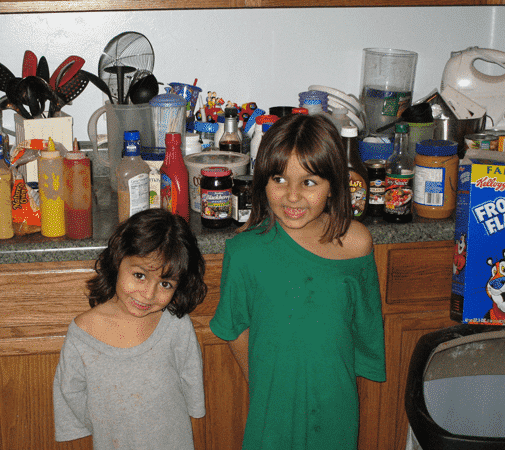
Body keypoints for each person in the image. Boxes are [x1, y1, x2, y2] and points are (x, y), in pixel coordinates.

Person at [209, 114, 386, 449]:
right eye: (279, 179)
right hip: (271, 408)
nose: (291, 197)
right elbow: (234, 328)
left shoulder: (357, 242)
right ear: (262, 181)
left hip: (337, 406)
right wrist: (265, 385)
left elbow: (364, 331)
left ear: (334, 184)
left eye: (309, 182)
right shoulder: (244, 252)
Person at [53, 208, 208, 450]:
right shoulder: (83, 334)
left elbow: (191, 373)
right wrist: (99, 422)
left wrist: (196, 408)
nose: (148, 294)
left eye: (165, 284)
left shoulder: (175, 325)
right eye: (139, 275)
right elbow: (69, 391)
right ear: (118, 260)